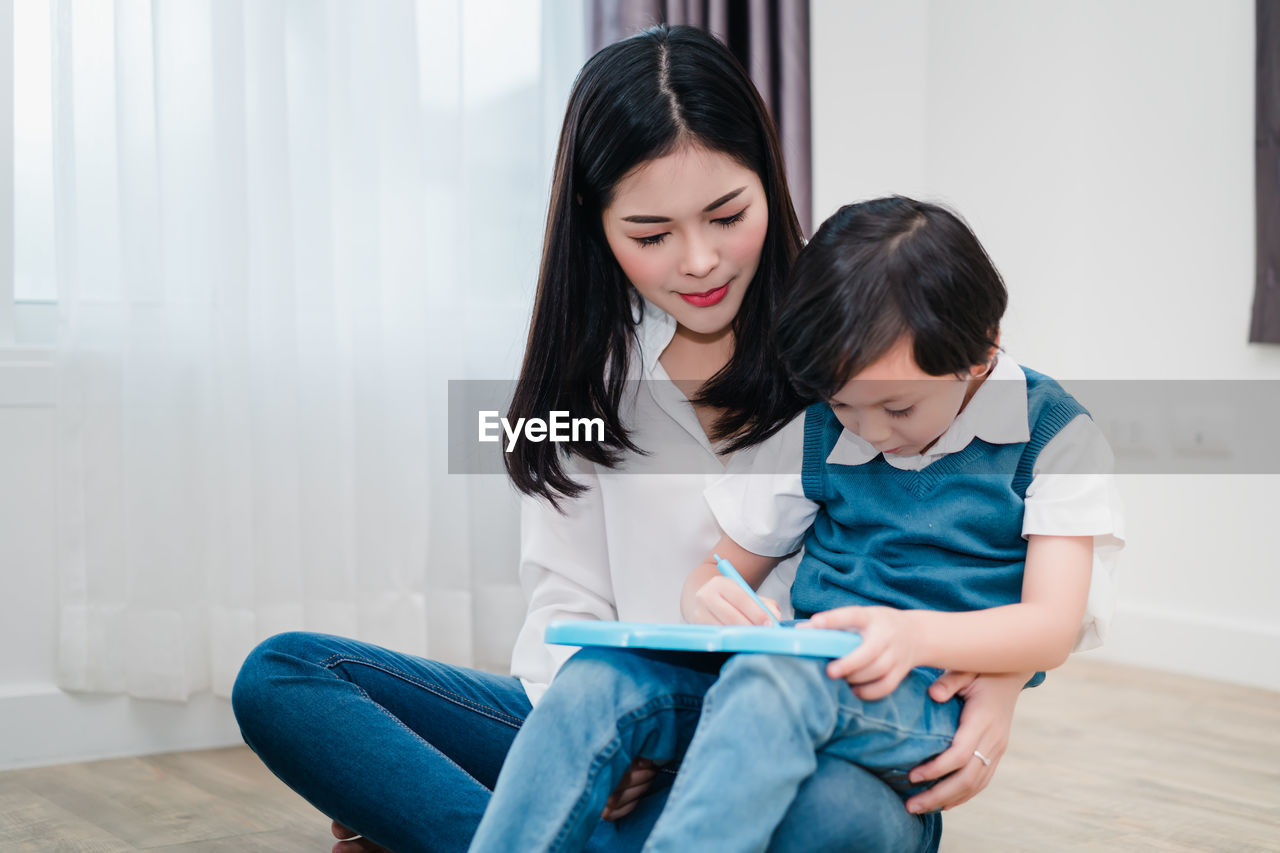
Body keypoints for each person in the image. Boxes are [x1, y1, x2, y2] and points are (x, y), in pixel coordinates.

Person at [232, 29, 1029, 853]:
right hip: (609, 715)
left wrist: (1005, 678)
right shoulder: (588, 388)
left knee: (836, 817)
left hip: (809, 743)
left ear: (770, 182)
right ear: (597, 225)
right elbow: (565, 608)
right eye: (651, 235)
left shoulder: (864, 355)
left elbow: (995, 536)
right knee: (288, 675)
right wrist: (606, 748)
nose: (699, 260)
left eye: (728, 215)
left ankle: (478, 829)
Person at [468, 196, 1124, 852]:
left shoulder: (1056, 436)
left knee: (772, 683)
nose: (867, 431)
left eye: (897, 407)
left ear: (980, 355)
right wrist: (706, 594)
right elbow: (719, 569)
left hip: (921, 697)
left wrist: (912, 635)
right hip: (794, 674)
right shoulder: (818, 429)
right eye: (843, 404)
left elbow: (1051, 626)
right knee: (596, 675)